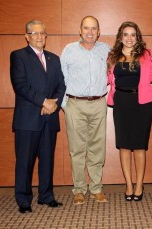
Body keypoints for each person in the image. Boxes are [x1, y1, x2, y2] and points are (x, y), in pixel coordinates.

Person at [10, 20, 66, 213]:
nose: (39, 36)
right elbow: (21, 86)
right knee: (25, 161)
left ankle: (46, 196)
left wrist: (53, 104)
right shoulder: (18, 56)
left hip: (49, 118)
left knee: (47, 160)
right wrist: (44, 102)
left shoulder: (54, 58)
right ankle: (24, 201)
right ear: (27, 37)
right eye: (34, 33)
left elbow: (61, 85)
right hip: (27, 120)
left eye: (42, 33)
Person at [61, 16, 110, 205]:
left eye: (94, 28)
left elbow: (114, 73)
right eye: (86, 28)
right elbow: (62, 78)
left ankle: (96, 188)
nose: (90, 32)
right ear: (80, 30)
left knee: (98, 148)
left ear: (99, 31)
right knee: (77, 149)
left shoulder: (106, 50)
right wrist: (66, 105)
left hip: (98, 104)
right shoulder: (69, 50)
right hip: (75, 104)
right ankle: (79, 189)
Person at [107, 21, 152, 201]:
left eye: (133, 34)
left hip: (141, 104)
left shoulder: (146, 55)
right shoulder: (113, 56)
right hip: (121, 103)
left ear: (138, 37)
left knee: (139, 146)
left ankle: (139, 184)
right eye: (126, 34)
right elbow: (106, 79)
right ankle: (128, 184)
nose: (129, 38)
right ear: (121, 37)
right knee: (124, 146)